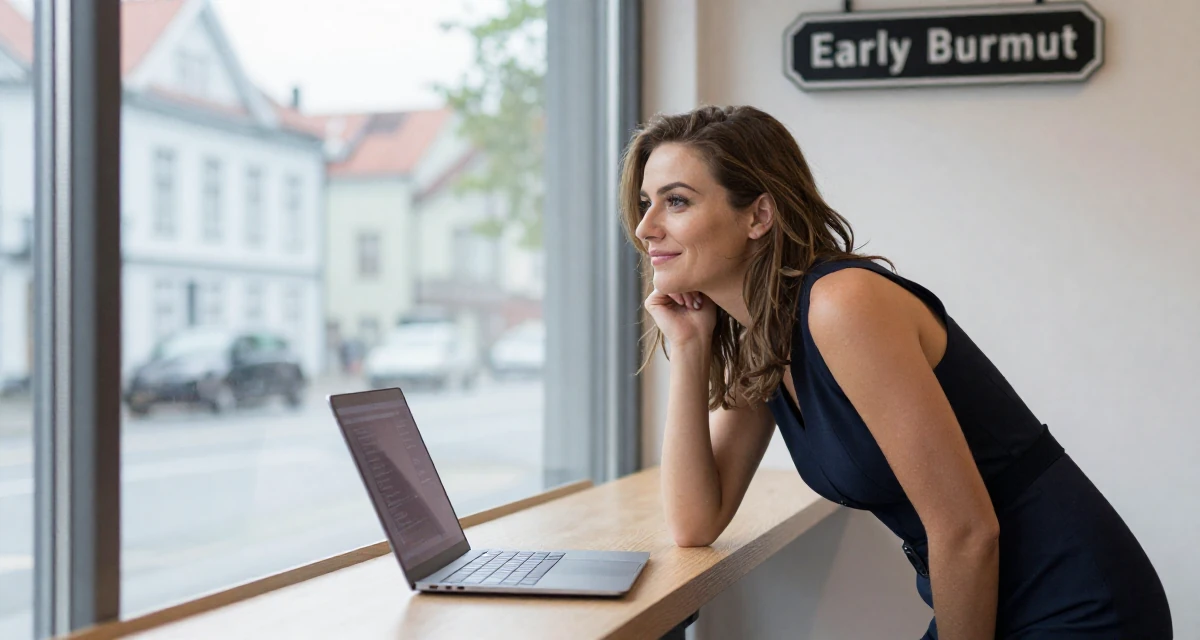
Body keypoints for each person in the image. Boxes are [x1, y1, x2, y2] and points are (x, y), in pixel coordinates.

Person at [620, 105, 1172, 639]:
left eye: (676, 201)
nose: (646, 227)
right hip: (988, 596)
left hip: (1075, 601)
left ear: (759, 216)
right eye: (647, 202)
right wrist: (691, 349)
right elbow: (696, 522)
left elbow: (967, 529)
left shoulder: (843, 303)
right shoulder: (763, 337)